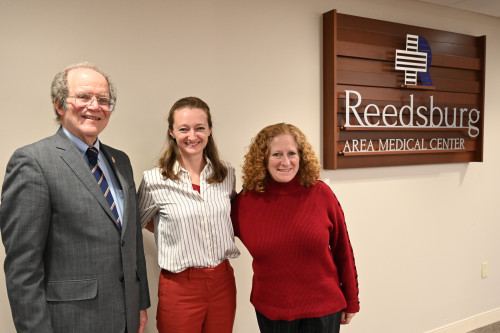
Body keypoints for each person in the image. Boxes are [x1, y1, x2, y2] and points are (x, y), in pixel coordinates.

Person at [0, 62, 150, 333]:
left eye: (103, 100)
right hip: (72, 321)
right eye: (83, 96)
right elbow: (23, 268)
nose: (95, 106)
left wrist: (139, 303)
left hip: (125, 316)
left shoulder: (121, 161)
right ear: (59, 104)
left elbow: (132, 240)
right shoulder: (33, 161)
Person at [231, 123, 360, 333]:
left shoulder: (321, 193)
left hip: (323, 309)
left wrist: (352, 300)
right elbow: (212, 233)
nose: (285, 162)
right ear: (263, 158)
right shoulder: (245, 202)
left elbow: (343, 250)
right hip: (272, 311)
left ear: (301, 156)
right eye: (276, 154)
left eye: (292, 153)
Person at [137, 96, 240, 333]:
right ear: (172, 132)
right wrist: (172, 230)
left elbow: (229, 216)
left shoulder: (226, 175)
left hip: (222, 282)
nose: (192, 136)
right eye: (184, 129)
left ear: (209, 130)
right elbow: (137, 224)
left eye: (199, 128)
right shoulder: (154, 180)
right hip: (180, 286)